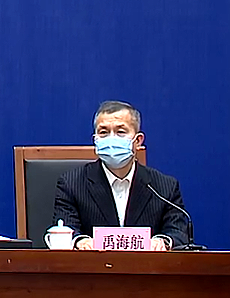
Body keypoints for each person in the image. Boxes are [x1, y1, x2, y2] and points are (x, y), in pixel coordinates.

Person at [53, 100, 188, 251]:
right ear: (95, 140)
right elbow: (65, 228)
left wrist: (163, 241)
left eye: (121, 132)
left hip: (146, 265)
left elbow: (178, 232)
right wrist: (80, 241)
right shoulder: (71, 184)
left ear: (138, 141)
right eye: (103, 132)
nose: (111, 139)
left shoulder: (164, 187)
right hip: (94, 264)